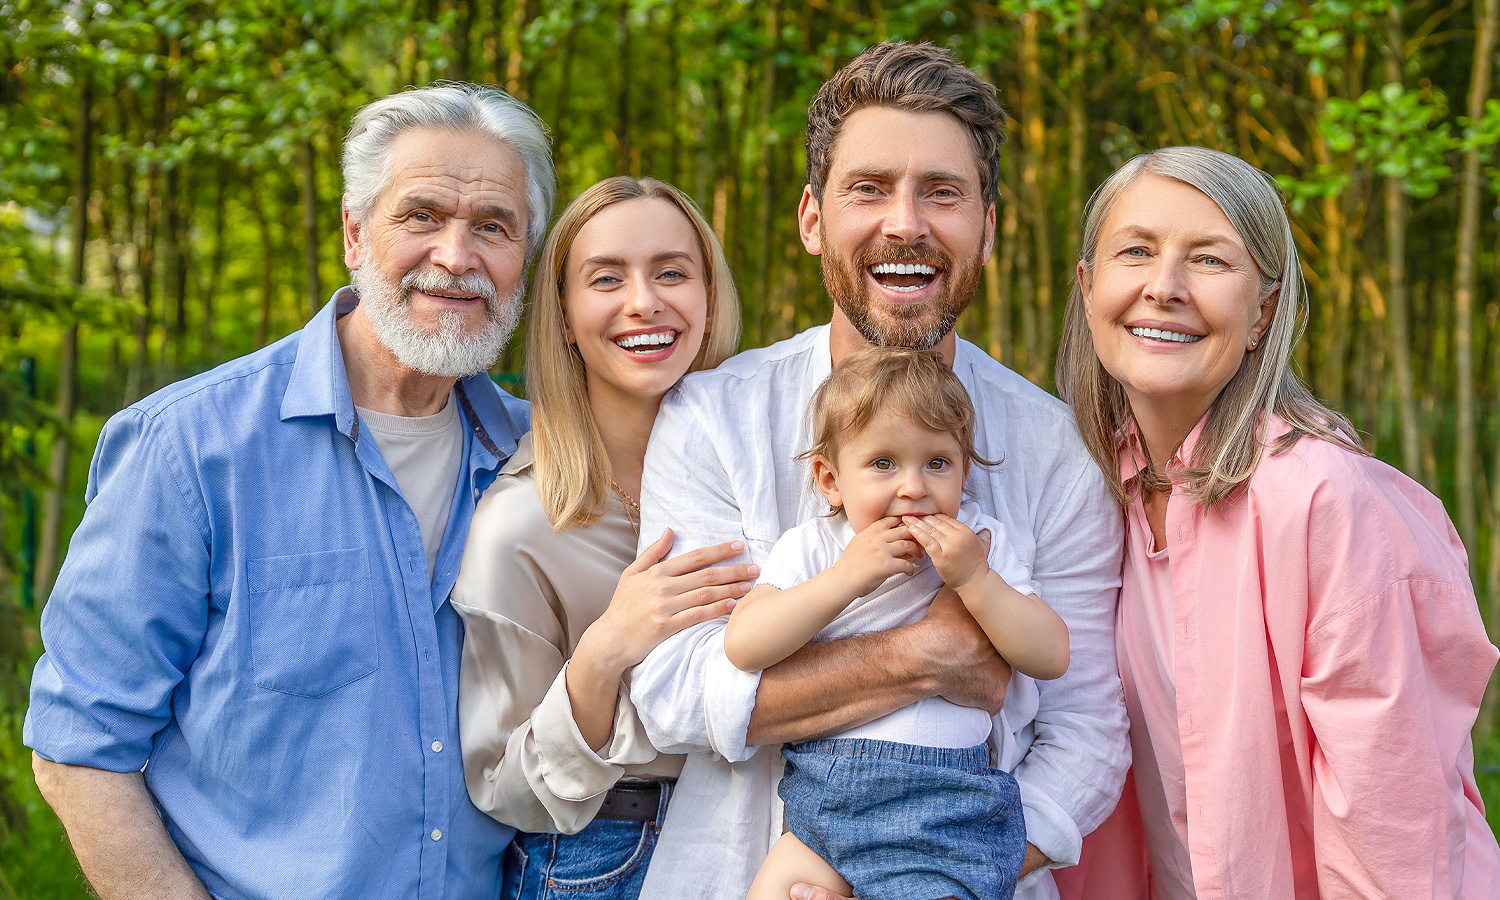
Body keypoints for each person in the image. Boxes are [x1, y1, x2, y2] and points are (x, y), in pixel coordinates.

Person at [24, 83, 553, 900]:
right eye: (420, 216)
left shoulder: (542, 456)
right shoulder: (192, 448)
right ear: (353, 231)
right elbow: (78, 746)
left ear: (527, 253)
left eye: (493, 225)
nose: (457, 255)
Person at [628, 41, 1130, 900]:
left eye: (943, 192)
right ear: (813, 218)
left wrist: (935, 876)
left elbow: (1089, 730)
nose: (906, 223)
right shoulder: (711, 419)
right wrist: (924, 656)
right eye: (869, 188)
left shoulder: (1058, 451)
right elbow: (674, 691)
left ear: (988, 227)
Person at [1053, 145, 1500, 899]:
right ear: (1090, 287)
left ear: (1264, 311)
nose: (1164, 288)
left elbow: (1392, 844)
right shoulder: (1091, 494)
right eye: (1137, 252)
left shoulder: (1332, 505)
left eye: (1209, 260)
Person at [450, 176, 747, 900]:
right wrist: (607, 650)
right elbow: (505, 784)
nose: (643, 301)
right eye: (606, 278)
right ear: (562, 317)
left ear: (708, 300)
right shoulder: (519, 528)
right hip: (608, 859)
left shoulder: (773, 474)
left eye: (671, 272)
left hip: (765, 831)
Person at [728, 346, 1069, 900]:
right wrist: (845, 579)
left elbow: (1051, 655)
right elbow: (745, 645)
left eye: (937, 463)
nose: (913, 486)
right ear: (831, 481)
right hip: (826, 802)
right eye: (884, 463)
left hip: (948, 812)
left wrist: (978, 582)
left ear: (965, 469)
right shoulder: (816, 547)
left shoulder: (981, 546)